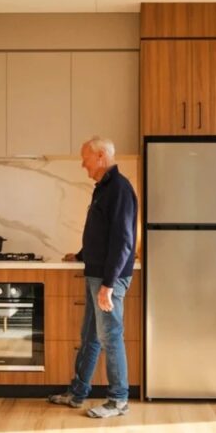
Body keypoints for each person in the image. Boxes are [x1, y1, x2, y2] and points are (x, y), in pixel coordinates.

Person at [48, 136, 138, 418]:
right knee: (90, 336)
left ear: (100, 156)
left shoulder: (119, 189)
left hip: (108, 279)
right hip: (96, 274)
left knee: (110, 336)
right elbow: (101, 233)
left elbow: (123, 240)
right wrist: (81, 254)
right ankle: (78, 393)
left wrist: (109, 285)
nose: (82, 164)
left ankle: (119, 400)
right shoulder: (103, 188)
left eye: (85, 157)